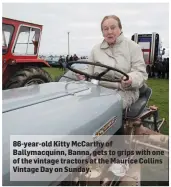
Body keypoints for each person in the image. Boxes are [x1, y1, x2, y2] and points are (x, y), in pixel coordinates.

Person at [77, 15, 148, 109]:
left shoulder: (133, 47)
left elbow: (141, 73)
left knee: (105, 108)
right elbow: (90, 71)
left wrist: (131, 79)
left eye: (113, 28)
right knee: (80, 104)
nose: (109, 31)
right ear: (102, 32)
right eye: (105, 29)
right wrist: (84, 75)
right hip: (98, 88)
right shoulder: (96, 49)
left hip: (125, 91)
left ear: (120, 28)